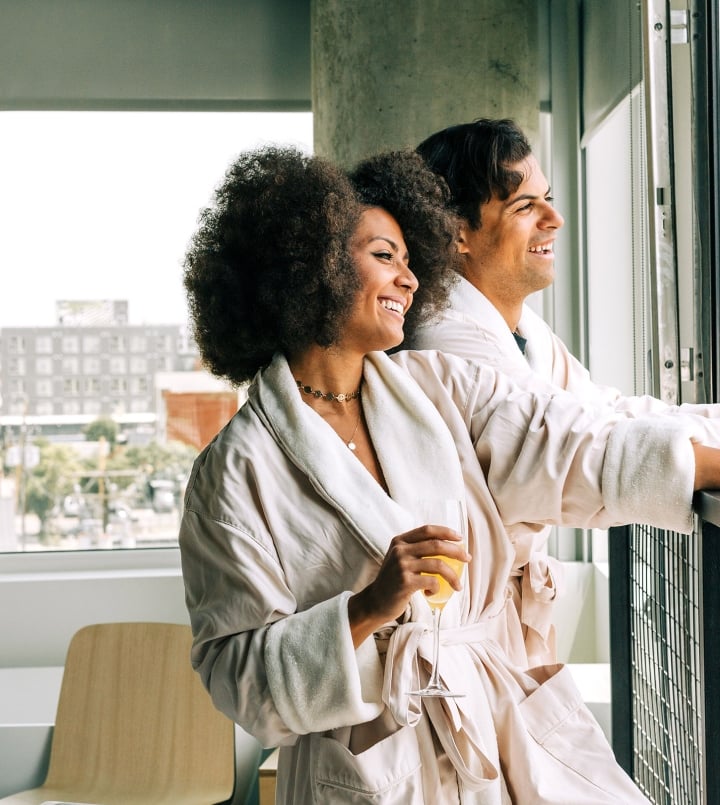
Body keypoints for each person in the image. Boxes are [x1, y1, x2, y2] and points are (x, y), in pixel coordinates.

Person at [178, 144, 720, 803]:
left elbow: (569, 441)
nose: (408, 279)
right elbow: (238, 677)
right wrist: (368, 606)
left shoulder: (439, 388)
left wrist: (701, 459)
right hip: (368, 768)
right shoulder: (233, 473)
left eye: (411, 261)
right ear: (307, 268)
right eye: (384, 256)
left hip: (486, 719)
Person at [409, 118, 720, 664]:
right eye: (525, 207)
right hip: (455, 633)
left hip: (501, 622)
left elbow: (608, 413)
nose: (555, 219)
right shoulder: (443, 340)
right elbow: (568, 450)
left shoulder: (523, 332)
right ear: (456, 230)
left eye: (547, 198)